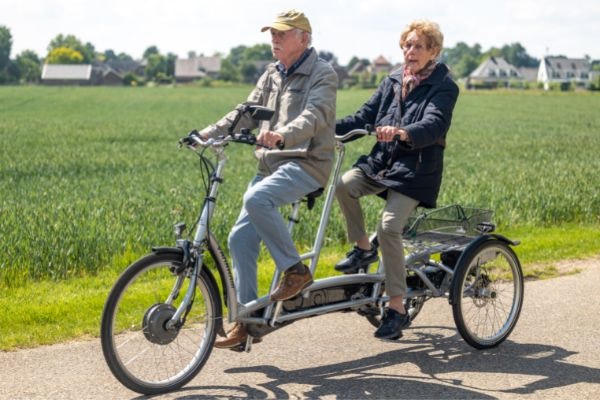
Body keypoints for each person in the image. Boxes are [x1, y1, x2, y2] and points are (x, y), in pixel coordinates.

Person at [198, 9, 338, 348]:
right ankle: (247, 322)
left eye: (282, 33)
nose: (274, 38)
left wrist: (281, 135)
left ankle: (296, 272)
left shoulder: (323, 73)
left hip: (306, 163)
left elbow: (315, 115)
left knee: (256, 199)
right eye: (272, 33)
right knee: (239, 240)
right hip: (269, 166)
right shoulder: (272, 73)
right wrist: (207, 133)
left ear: (303, 38)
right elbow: (246, 111)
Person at [334, 20, 459, 340]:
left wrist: (405, 132)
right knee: (345, 184)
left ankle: (397, 308)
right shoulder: (391, 80)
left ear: (434, 51)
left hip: (416, 170)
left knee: (389, 227)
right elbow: (363, 116)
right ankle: (363, 249)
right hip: (382, 163)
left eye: (418, 46)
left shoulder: (444, 85)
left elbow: (435, 123)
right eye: (407, 45)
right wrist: (324, 128)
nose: (410, 51)